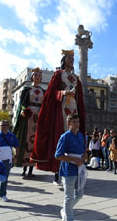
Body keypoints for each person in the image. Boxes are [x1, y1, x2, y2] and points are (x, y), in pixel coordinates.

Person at [31, 50, 85, 185]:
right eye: (69, 57)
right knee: (61, 138)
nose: (72, 59)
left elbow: (80, 97)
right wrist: (63, 92)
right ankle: (57, 173)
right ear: (63, 59)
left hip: (74, 108)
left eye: (73, 58)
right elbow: (50, 93)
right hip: (60, 109)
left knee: (73, 139)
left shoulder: (76, 78)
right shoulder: (58, 75)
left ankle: (73, 172)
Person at [13, 67, 45, 177]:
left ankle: (31, 169)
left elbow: (44, 105)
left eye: (39, 76)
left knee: (35, 142)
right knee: (26, 141)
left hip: (38, 118)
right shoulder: (27, 89)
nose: (37, 77)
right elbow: (22, 103)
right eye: (36, 75)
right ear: (32, 77)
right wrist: (23, 110)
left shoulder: (42, 91)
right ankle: (24, 168)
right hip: (28, 117)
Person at [54, 114, 87, 221]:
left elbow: (83, 150)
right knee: (68, 196)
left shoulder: (81, 135)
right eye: (74, 122)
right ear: (69, 124)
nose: (76, 124)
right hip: (68, 170)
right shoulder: (65, 137)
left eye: (78, 122)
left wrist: (85, 155)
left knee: (79, 194)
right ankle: (69, 218)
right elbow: (58, 155)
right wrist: (74, 160)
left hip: (80, 169)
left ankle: (65, 210)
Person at [0, 120, 19, 202]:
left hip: (7, 160)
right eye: (1, 125)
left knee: (4, 178)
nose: (3, 126)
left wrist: (16, 156)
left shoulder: (11, 136)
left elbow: (17, 146)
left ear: (8, 126)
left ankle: (2, 194)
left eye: (5, 125)